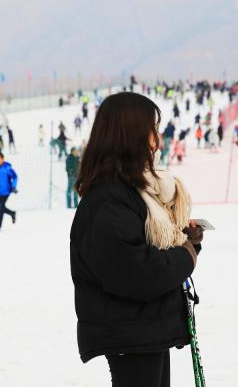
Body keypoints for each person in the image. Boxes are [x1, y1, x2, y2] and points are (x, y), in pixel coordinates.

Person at [69, 92, 202, 386]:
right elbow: (135, 273)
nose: (157, 136)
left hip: (144, 328)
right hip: (130, 332)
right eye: (151, 128)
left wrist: (185, 238)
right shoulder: (108, 199)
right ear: (131, 134)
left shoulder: (131, 191)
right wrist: (186, 254)